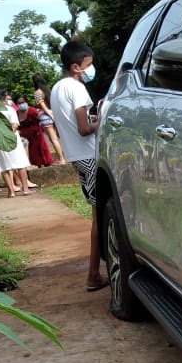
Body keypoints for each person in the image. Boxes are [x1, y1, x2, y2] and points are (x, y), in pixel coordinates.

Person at [52, 40, 106, 291]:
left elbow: (73, 124)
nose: (90, 69)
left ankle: (95, 272)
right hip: (89, 155)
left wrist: (90, 120)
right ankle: (93, 274)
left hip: (76, 156)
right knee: (99, 217)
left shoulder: (56, 88)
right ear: (76, 66)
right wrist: (101, 120)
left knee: (98, 214)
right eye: (88, 65)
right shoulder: (77, 88)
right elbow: (84, 129)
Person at [0, 89, 33, 197]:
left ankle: (11, 192)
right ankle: (25, 189)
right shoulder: (9, 109)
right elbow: (14, 125)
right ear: (2, 100)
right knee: (20, 164)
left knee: (4, 167)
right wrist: (6, 137)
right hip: (12, 140)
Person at [33, 73, 65, 164]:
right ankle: (62, 157)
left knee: (53, 139)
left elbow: (42, 106)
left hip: (45, 117)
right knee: (55, 138)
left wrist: (49, 114)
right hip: (53, 114)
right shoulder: (48, 91)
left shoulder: (37, 92)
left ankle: (61, 159)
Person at [15, 94, 53, 168]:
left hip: (36, 134)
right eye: (19, 103)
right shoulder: (16, 114)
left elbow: (40, 120)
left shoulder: (32, 111)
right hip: (24, 137)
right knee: (31, 153)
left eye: (23, 102)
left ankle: (46, 164)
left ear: (26, 102)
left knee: (41, 150)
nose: (21, 104)